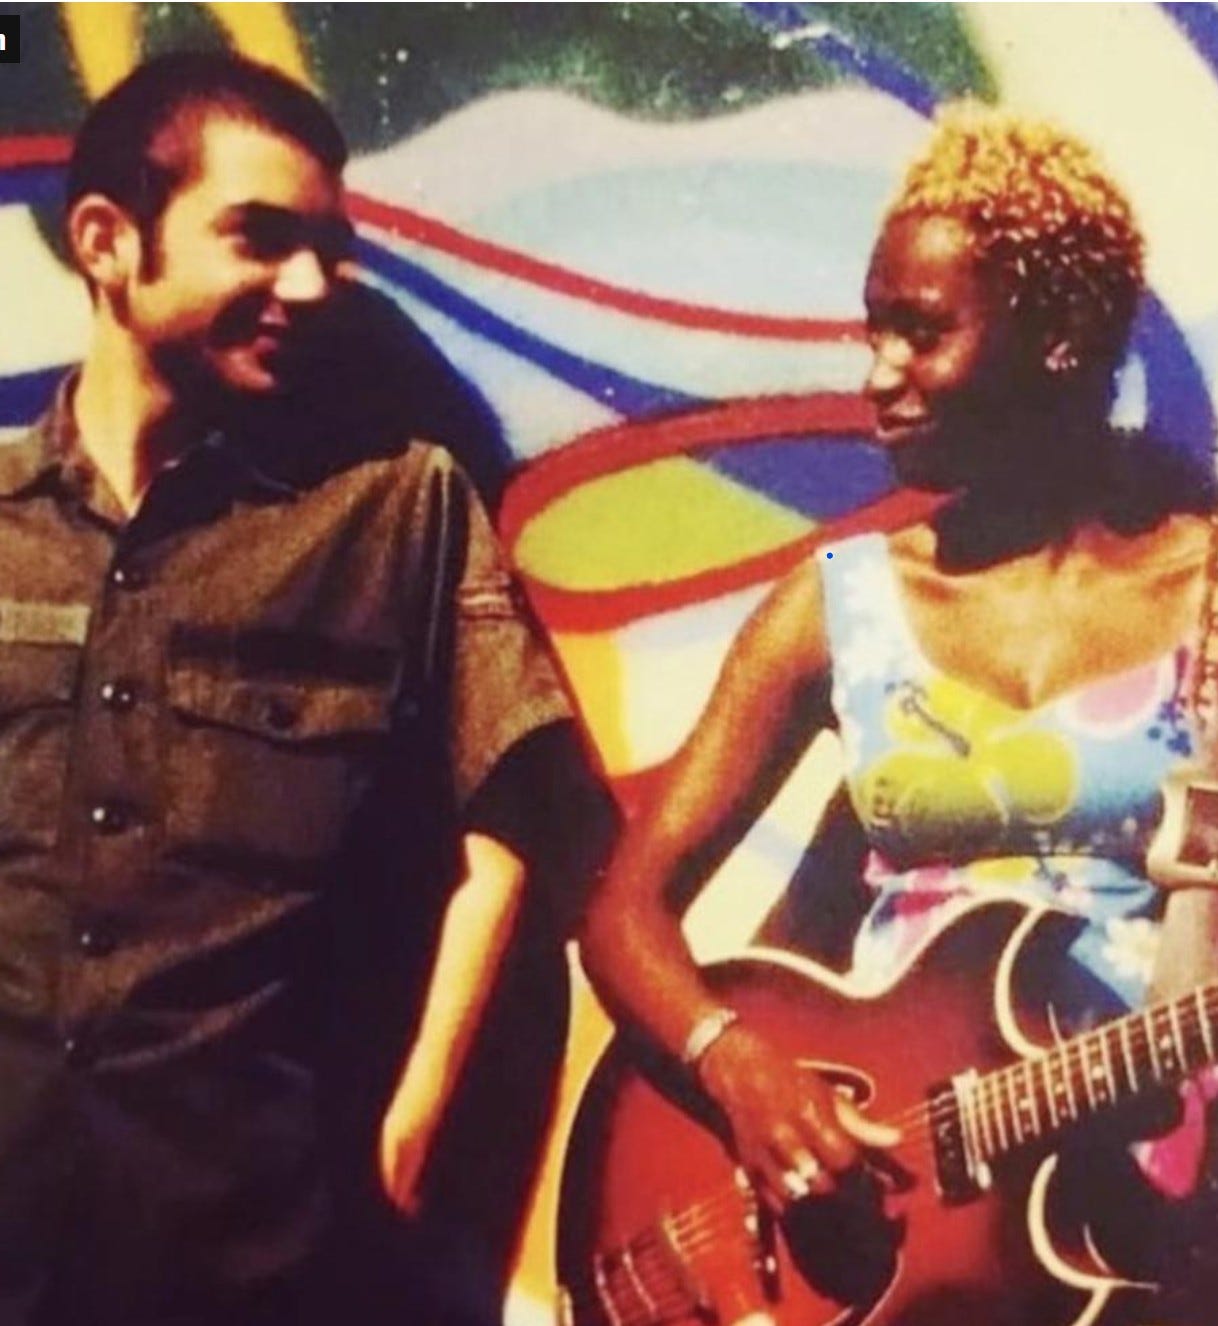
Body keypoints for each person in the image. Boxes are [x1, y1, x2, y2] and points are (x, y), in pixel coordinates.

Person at [0, 50, 611, 1326]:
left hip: (252, 1250)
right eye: (260, 238)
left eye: (329, 251)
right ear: (107, 242)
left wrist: (415, 1112)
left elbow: (509, 815)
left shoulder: (391, 510)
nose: (310, 285)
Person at [578, 101, 1218, 1317]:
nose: (879, 375)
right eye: (874, 331)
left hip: (1155, 1223)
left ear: (1063, 337)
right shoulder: (839, 607)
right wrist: (741, 1068)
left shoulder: (1208, 592)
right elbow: (623, 913)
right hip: (894, 1237)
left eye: (922, 333)